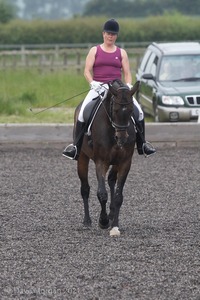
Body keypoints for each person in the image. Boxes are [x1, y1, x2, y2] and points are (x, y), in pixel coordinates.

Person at [62, 19, 156, 160]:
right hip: (98, 86)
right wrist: (92, 82)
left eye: (113, 34)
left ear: (116, 36)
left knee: (140, 112)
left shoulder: (121, 52)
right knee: (82, 113)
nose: (110, 36)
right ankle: (76, 146)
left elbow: (127, 72)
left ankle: (143, 144)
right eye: (108, 33)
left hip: (118, 88)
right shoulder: (95, 50)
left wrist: (129, 85)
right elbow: (87, 70)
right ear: (103, 34)